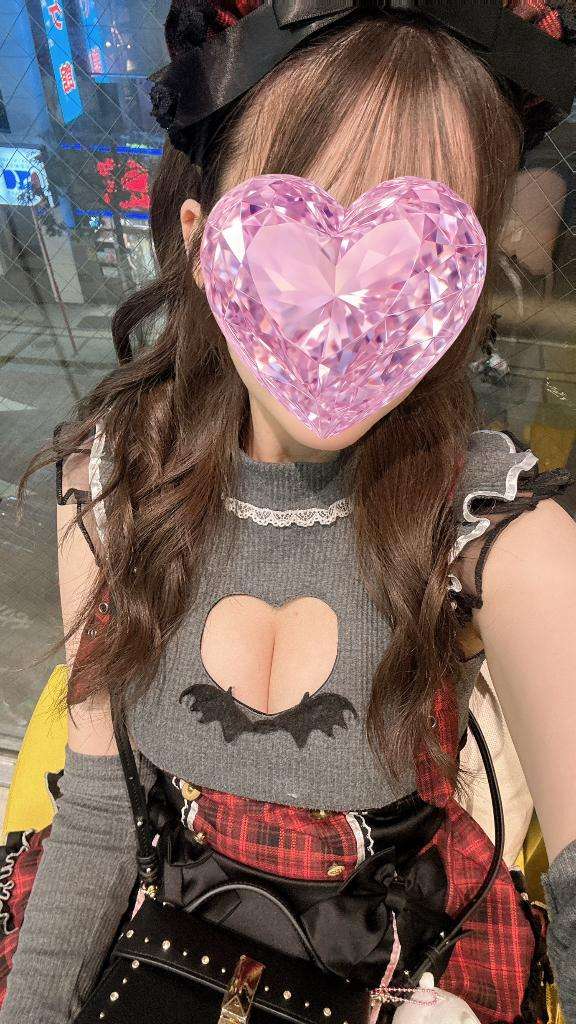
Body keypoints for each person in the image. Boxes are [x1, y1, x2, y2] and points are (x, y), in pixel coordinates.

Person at [2, 3, 576, 1023]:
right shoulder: (118, 482)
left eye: (406, 250)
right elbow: (96, 822)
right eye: (296, 233)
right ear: (200, 239)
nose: (345, 305)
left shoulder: (502, 541)